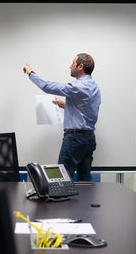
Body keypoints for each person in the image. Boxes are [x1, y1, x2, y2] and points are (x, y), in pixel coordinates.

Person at [23, 53, 101, 181]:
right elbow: (85, 111)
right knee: (85, 180)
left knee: (60, 179)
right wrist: (64, 105)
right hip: (88, 139)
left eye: (73, 63)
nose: (70, 66)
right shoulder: (94, 87)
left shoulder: (78, 86)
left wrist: (31, 74)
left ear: (80, 66)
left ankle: (59, 200)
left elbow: (47, 86)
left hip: (75, 139)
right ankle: (87, 201)